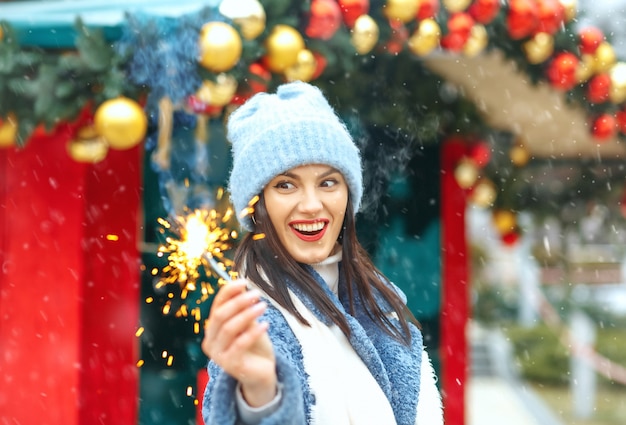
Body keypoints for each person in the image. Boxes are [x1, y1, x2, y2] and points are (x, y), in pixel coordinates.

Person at [201, 81, 443, 425]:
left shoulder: (379, 304)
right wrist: (260, 397)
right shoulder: (257, 323)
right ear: (258, 205)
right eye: (286, 185)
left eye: (328, 182)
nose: (312, 205)